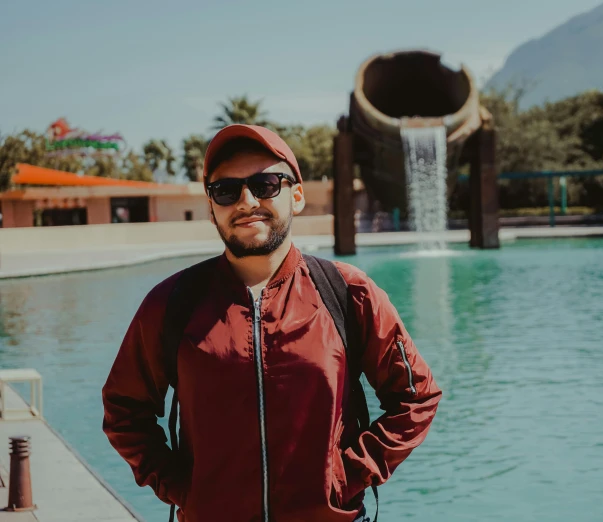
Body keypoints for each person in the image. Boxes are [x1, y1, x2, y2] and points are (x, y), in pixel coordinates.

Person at [102, 124, 442, 522]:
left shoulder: (347, 292)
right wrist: (182, 489)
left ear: (296, 196)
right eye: (226, 190)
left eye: (265, 184)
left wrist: (346, 476)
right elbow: (124, 410)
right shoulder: (171, 303)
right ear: (212, 208)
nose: (246, 201)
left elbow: (416, 397)